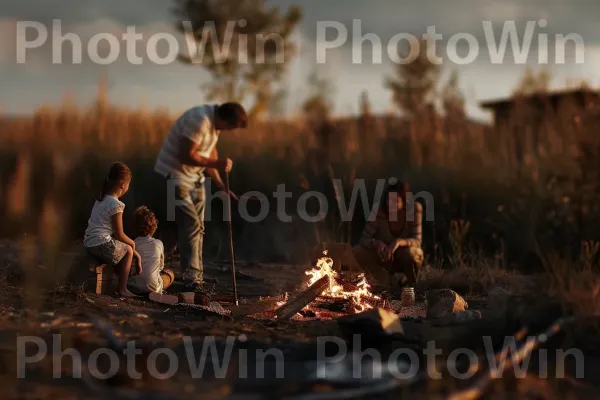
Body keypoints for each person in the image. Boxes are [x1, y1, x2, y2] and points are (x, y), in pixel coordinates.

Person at [154, 103, 248, 290]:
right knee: (192, 224)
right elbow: (185, 155)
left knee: (197, 226)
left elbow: (209, 151)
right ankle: (192, 279)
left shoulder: (214, 125)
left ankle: (190, 274)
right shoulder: (200, 121)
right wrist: (217, 162)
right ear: (224, 119)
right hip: (174, 174)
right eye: (230, 127)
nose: (229, 131)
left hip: (194, 177)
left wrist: (221, 185)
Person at [353, 181, 424, 293]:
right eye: (388, 200)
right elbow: (363, 239)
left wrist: (398, 242)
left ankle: (413, 286)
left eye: (396, 201)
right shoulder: (378, 211)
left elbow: (417, 241)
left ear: (404, 202)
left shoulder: (414, 209)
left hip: (403, 255)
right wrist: (375, 243)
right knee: (357, 251)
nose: (391, 205)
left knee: (412, 253)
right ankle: (382, 282)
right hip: (383, 257)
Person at [83, 162, 142, 298]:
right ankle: (123, 289)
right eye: (129, 183)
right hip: (100, 244)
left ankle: (115, 281)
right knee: (127, 250)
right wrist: (133, 246)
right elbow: (119, 234)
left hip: (89, 243)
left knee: (120, 247)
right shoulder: (116, 205)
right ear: (123, 185)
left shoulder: (101, 199)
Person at [127, 206, 175, 295]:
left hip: (133, 287)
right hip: (153, 287)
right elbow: (161, 267)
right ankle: (157, 291)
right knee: (170, 273)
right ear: (153, 226)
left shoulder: (131, 244)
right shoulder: (159, 243)